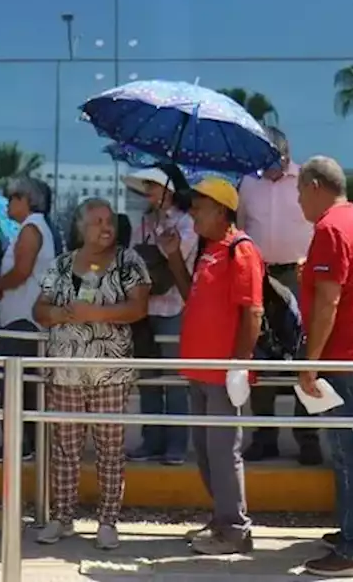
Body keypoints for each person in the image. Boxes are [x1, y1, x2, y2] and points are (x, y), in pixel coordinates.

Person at [32, 198, 149, 551]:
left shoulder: (128, 261)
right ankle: (61, 518)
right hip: (65, 370)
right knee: (64, 448)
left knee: (110, 450)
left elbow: (138, 308)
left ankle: (108, 521)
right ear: (82, 226)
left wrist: (95, 314)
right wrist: (62, 314)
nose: (105, 226)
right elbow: (39, 308)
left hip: (109, 373)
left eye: (109, 219)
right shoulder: (63, 264)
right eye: (97, 220)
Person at [291, 156, 353, 576]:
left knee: (349, 451)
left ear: (315, 185)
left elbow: (329, 301)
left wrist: (310, 363)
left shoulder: (330, 228)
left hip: (345, 356)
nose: (297, 201)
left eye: (298, 191)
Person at [161, 176, 262, 556]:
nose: (193, 216)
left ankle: (235, 528)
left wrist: (238, 365)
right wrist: (173, 257)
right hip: (201, 370)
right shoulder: (210, 249)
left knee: (223, 451)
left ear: (221, 210)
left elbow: (253, 311)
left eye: (199, 209)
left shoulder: (241, 250)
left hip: (222, 373)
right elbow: (194, 297)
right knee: (205, 450)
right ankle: (222, 519)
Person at [236, 128, 320, 465]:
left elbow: (321, 228)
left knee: (306, 352)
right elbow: (240, 229)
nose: (270, 166)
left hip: (300, 275)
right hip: (260, 275)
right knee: (260, 352)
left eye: (276, 159)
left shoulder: (306, 181)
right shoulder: (247, 184)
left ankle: (308, 437)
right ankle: (265, 435)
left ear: (287, 155)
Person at [125, 167, 197, 466]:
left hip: (173, 307)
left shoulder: (187, 224)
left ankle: (176, 444)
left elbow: (182, 257)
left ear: (168, 188)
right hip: (145, 308)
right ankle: (151, 440)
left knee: (175, 379)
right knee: (149, 379)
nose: (148, 192)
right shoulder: (143, 223)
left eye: (152, 186)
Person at [0, 176, 59, 463]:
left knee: (16, 387)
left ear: (28, 200)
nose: (9, 202)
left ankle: (17, 445)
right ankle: (26, 444)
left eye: (14, 197)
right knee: (24, 386)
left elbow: (22, 272)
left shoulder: (31, 229)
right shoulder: (32, 229)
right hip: (22, 316)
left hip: (23, 318)